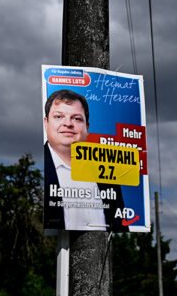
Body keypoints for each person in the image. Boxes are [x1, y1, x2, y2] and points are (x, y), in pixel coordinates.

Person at [43, 89, 124, 231]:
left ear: (87, 127)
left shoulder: (106, 174)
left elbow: (120, 225)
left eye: (76, 118)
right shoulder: (36, 169)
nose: (68, 123)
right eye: (59, 116)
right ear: (46, 123)